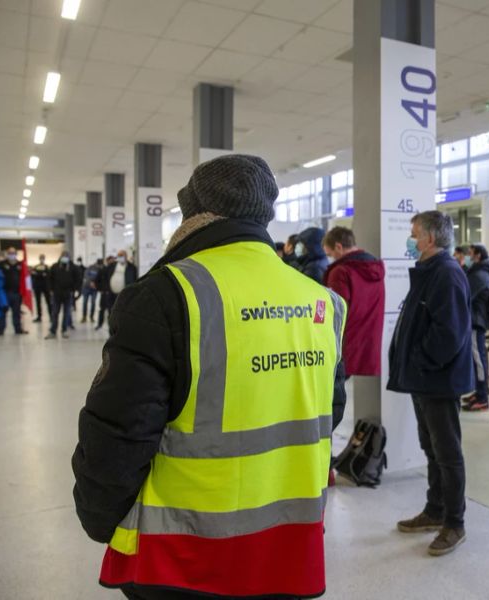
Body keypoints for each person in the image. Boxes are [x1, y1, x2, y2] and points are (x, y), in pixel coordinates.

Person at [72, 153, 347, 599]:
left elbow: (120, 432)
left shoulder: (165, 294)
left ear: (192, 211)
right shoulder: (322, 301)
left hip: (183, 554)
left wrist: (98, 515)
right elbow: (329, 411)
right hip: (289, 546)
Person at [388, 210, 474, 557]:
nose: (410, 239)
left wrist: (420, 361)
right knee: (431, 448)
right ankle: (435, 509)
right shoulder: (429, 271)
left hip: (438, 380)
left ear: (430, 238)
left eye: (414, 234)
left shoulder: (446, 274)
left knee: (448, 453)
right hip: (425, 380)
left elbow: (448, 335)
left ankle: (455, 522)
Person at [322, 226, 385, 377]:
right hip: (369, 340)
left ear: (339, 246)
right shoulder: (375, 267)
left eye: (331, 255)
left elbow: (337, 311)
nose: (332, 259)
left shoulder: (341, 272)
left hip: (345, 343)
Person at [464, 244, 489, 412]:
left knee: (478, 359)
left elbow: (466, 295)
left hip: (476, 321)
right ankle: (479, 391)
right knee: (476, 358)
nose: (467, 257)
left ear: (477, 255)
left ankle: (483, 397)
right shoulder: (478, 271)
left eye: (470, 254)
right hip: (474, 319)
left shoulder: (481, 275)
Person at [96, 252, 137, 330]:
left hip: (124, 295)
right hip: (111, 295)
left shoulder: (132, 267)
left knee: (123, 314)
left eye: (122, 256)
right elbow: (101, 276)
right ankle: (112, 331)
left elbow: (135, 281)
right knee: (111, 313)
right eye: (119, 256)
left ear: (126, 256)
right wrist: (102, 288)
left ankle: (122, 330)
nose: (120, 257)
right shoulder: (111, 266)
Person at [46, 251, 82, 340]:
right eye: (63, 256)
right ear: (60, 257)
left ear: (69, 257)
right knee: (55, 313)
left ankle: (64, 330)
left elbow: (78, 279)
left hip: (68, 294)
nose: (64, 258)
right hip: (56, 294)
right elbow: (49, 278)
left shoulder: (73, 267)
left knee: (67, 313)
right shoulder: (55, 266)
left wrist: (74, 290)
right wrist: (50, 289)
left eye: (66, 256)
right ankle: (52, 331)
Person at [0, 247, 27, 336]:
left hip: (17, 293)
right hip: (5, 293)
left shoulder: (20, 265)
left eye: (13, 253)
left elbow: (25, 277)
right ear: (7, 254)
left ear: (16, 254)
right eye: (10, 253)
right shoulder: (1, 264)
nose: (11, 255)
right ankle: (0, 329)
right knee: (3, 312)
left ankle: (18, 329)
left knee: (16, 312)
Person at [94, 256, 115, 331]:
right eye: (110, 260)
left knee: (112, 311)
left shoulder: (115, 270)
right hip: (105, 293)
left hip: (113, 294)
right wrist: (101, 289)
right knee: (102, 309)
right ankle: (100, 324)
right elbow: (97, 281)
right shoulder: (103, 270)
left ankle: (112, 326)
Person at [30, 254, 52, 324]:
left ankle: (51, 316)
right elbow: (33, 274)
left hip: (46, 287)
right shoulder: (36, 267)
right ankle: (39, 316)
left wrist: (38, 274)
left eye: (43, 258)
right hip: (37, 287)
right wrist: (41, 274)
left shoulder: (47, 267)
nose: (41, 259)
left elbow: (47, 275)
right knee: (38, 302)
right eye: (41, 258)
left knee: (48, 302)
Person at [80, 259, 102, 323]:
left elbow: (100, 278)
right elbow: (86, 275)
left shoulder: (100, 269)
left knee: (93, 303)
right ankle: (84, 317)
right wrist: (91, 282)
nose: (99, 266)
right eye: (99, 265)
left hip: (94, 289)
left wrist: (97, 285)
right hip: (86, 288)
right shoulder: (90, 267)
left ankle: (91, 317)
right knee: (85, 302)